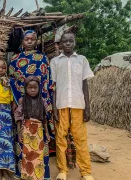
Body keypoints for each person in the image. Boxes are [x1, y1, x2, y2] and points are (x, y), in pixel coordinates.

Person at [9, 29, 54, 180]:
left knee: (40, 139)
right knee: (22, 138)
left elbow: (47, 81)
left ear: (36, 41)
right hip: (22, 104)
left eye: (32, 39)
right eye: (26, 39)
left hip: (38, 102)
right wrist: (17, 100)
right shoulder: (15, 59)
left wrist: (46, 102)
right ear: (22, 41)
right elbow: (12, 81)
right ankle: (22, 172)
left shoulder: (43, 59)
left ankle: (41, 173)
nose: (29, 41)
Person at [50, 31, 94, 180]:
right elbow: (53, 87)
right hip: (61, 104)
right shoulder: (55, 62)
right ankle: (62, 170)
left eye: (71, 41)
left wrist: (87, 107)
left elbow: (85, 85)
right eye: (65, 41)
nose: (68, 43)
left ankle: (86, 172)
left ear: (75, 42)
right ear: (60, 44)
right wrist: (54, 108)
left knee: (80, 139)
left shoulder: (82, 60)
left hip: (78, 104)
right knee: (61, 139)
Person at [15, 76, 51, 180]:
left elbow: (44, 118)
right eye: (30, 88)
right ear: (26, 88)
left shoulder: (42, 101)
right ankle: (27, 176)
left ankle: (38, 176)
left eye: (35, 87)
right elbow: (18, 116)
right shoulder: (23, 101)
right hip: (26, 130)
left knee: (38, 154)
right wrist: (19, 132)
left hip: (38, 131)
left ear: (39, 88)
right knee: (27, 154)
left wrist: (47, 133)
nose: (33, 90)